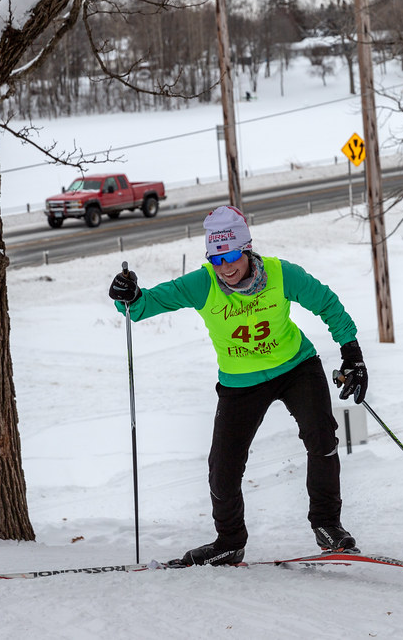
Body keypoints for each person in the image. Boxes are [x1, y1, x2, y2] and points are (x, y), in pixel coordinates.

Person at [108, 205, 368, 566]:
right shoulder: (203, 283)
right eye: (217, 259)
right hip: (240, 382)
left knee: (321, 438)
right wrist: (129, 295)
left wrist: (351, 352)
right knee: (223, 466)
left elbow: (325, 302)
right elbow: (142, 307)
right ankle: (229, 540)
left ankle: (328, 527)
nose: (226, 267)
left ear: (247, 250)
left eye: (232, 255)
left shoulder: (279, 274)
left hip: (296, 366)